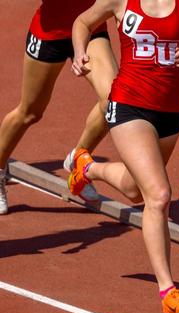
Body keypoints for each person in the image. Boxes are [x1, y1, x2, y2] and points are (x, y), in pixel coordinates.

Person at [67, 0, 179, 313]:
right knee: (159, 196)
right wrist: (80, 53)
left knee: (137, 191)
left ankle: (87, 167)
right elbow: (82, 22)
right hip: (128, 104)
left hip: (171, 111)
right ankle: (168, 292)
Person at [0, 0, 117, 215]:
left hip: (91, 28)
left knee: (113, 100)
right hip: (50, 33)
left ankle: (78, 161)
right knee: (30, 112)